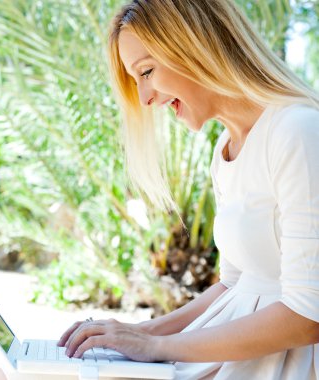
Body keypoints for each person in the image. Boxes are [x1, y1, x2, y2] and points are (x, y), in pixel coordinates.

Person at [56, 0, 319, 379]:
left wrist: (156, 346)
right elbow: (234, 284)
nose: (145, 98)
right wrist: (138, 332)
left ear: (194, 45)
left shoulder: (297, 132)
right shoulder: (225, 150)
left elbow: (308, 314)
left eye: (146, 71)